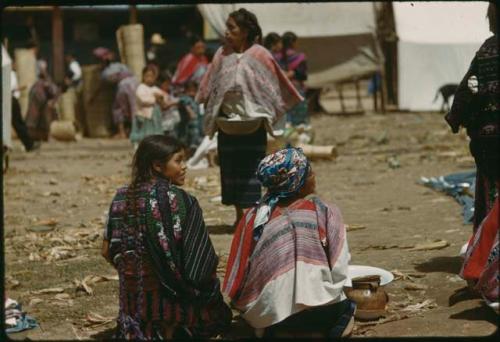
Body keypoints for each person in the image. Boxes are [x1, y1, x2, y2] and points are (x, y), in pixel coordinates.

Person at [101, 135, 232, 339]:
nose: (185, 166)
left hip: (133, 310)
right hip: (174, 301)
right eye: (178, 160)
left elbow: (107, 251)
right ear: (158, 166)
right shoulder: (182, 201)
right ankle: (174, 326)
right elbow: (200, 267)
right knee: (221, 314)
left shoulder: (120, 197)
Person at [223, 148, 355, 338]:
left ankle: (273, 329)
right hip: (320, 314)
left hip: (268, 315)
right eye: (309, 172)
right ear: (298, 182)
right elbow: (340, 269)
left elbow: (241, 274)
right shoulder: (325, 211)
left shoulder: (253, 217)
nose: (314, 175)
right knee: (348, 306)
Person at [196, 8, 303, 225]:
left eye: (232, 28)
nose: (227, 32)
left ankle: (251, 215)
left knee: (252, 169)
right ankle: (238, 216)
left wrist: (264, 108)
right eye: (227, 27)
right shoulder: (221, 54)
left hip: (253, 123)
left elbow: (274, 85)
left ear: (245, 31)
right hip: (227, 122)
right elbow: (211, 86)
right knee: (230, 169)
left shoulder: (260, 54)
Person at [448, 2, 499, 313]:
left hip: (490, 144)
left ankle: (486, 272)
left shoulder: (489, 49)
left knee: (492, 205)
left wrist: (457, 118)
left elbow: (467, 91)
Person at [92, 47, 139, 139]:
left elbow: (102, 87)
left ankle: (122, 132)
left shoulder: (105, 73)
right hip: (135, 84)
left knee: (117, 109)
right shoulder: (120, 65)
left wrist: (93, 97)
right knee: (133, 108)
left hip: (124, 86)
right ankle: (134, 130)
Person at [276, 31, 309, 126]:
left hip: (282, 91)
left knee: (286, 119)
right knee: (300, 120)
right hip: (297, 90)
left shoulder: (276, 58)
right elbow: (303, 75)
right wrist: (292, 73)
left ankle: (287, 140)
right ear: (293, 42)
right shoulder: (300, 57)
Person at [129, 66, 166, 148]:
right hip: (144, 115)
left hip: (155, 115)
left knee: (155, 130)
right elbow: (143, 99)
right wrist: (154, 98)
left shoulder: (155, 88)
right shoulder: (141, 88)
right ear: (143, 76)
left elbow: (163, 96)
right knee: (144, 131)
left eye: (151, 76)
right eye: (147, 76)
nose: (149, 78)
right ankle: (140, 146)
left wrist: (161, 98)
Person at [10, 61, 40, 152]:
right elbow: (11, 88)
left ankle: (28, 144)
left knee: (17, 123)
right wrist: (21, 88)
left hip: (10, 100)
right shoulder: (11, 74)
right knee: (18, 123)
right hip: (11, 100)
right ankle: (29, 144)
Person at [24, 68, 59, 142]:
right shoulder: (45, 83)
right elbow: (53, 92)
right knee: (44, 119)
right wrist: (52, 102)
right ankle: (45, 137)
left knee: (34, 119)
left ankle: (36, 136)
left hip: (38, 101)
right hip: (40, 101)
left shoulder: (37, 83)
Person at [177, 81, 203, 152]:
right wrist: (190, 112)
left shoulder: (195, 99)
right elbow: (185, 105)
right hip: (187, 127)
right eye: (190, 90)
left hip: (197, 127)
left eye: (194, 90)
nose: (192, 92)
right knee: (187, 145)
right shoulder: (185, 98)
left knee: (194, 146)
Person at [158, 71, 181, 137]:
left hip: (173, 121)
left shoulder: (170, 92)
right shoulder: (159, 93)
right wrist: (173, 103)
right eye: (167, 83)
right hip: (165, 123)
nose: (168, 85)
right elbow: (163, 107)